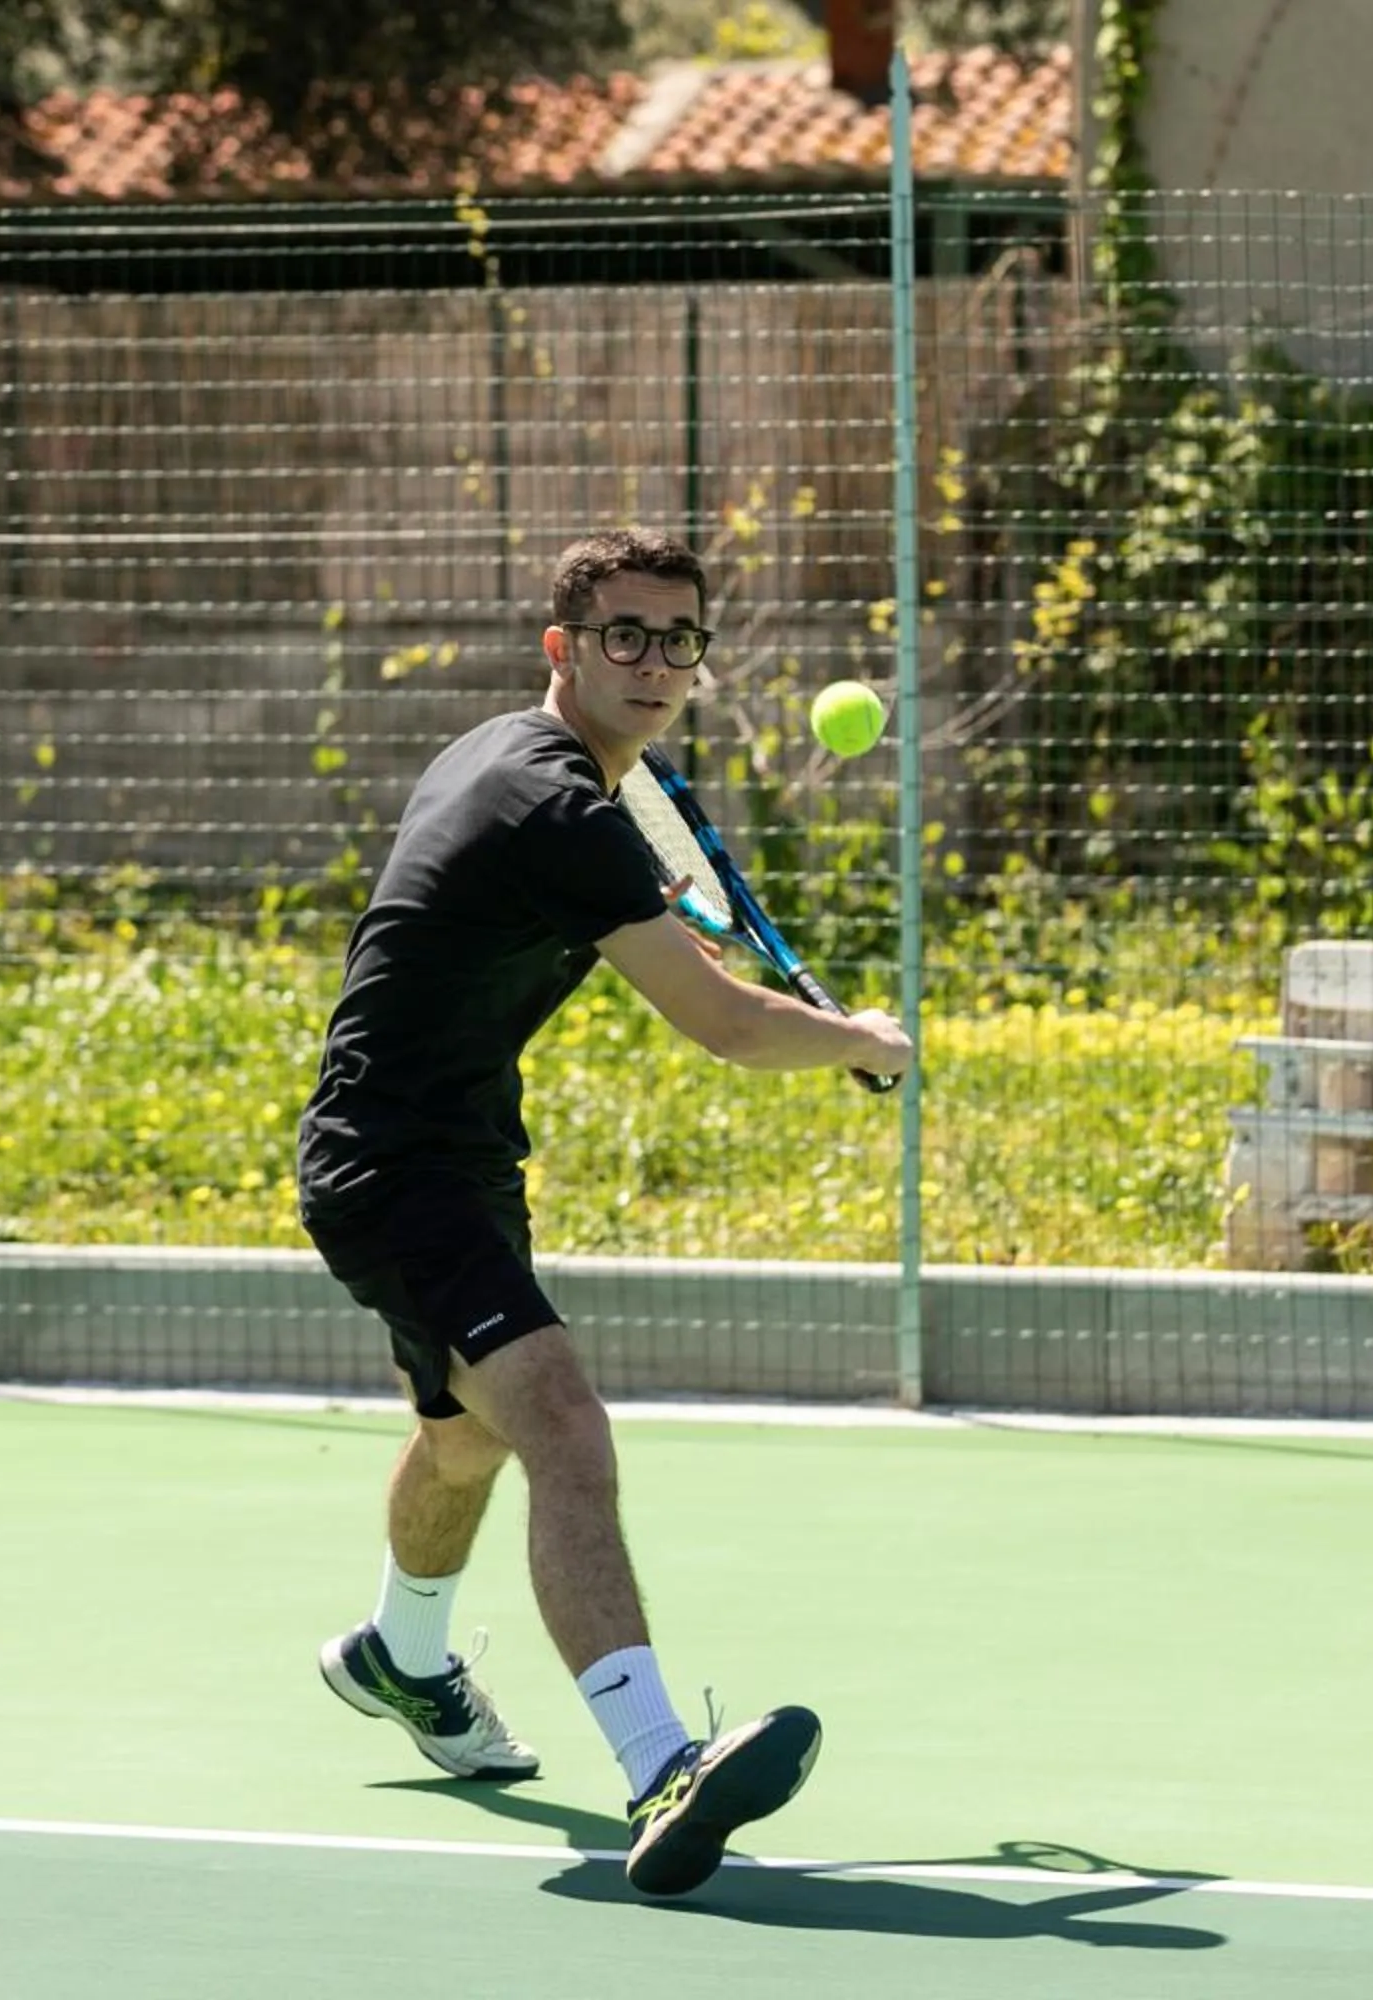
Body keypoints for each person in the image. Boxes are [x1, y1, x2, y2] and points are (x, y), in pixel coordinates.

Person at [293, 527, 918, 1898]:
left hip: (452, 1158)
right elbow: (723, 1026)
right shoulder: (561, 807)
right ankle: (660, 1765)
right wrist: (861, 1038)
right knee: (563, 1425)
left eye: (678, 639)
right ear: (562, 648)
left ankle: (403, 1655)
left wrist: (699, 942)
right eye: (622, 635)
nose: (652, 662)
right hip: (396, 1170)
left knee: (466, 1439)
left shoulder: (517, 760)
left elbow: (614, 921)